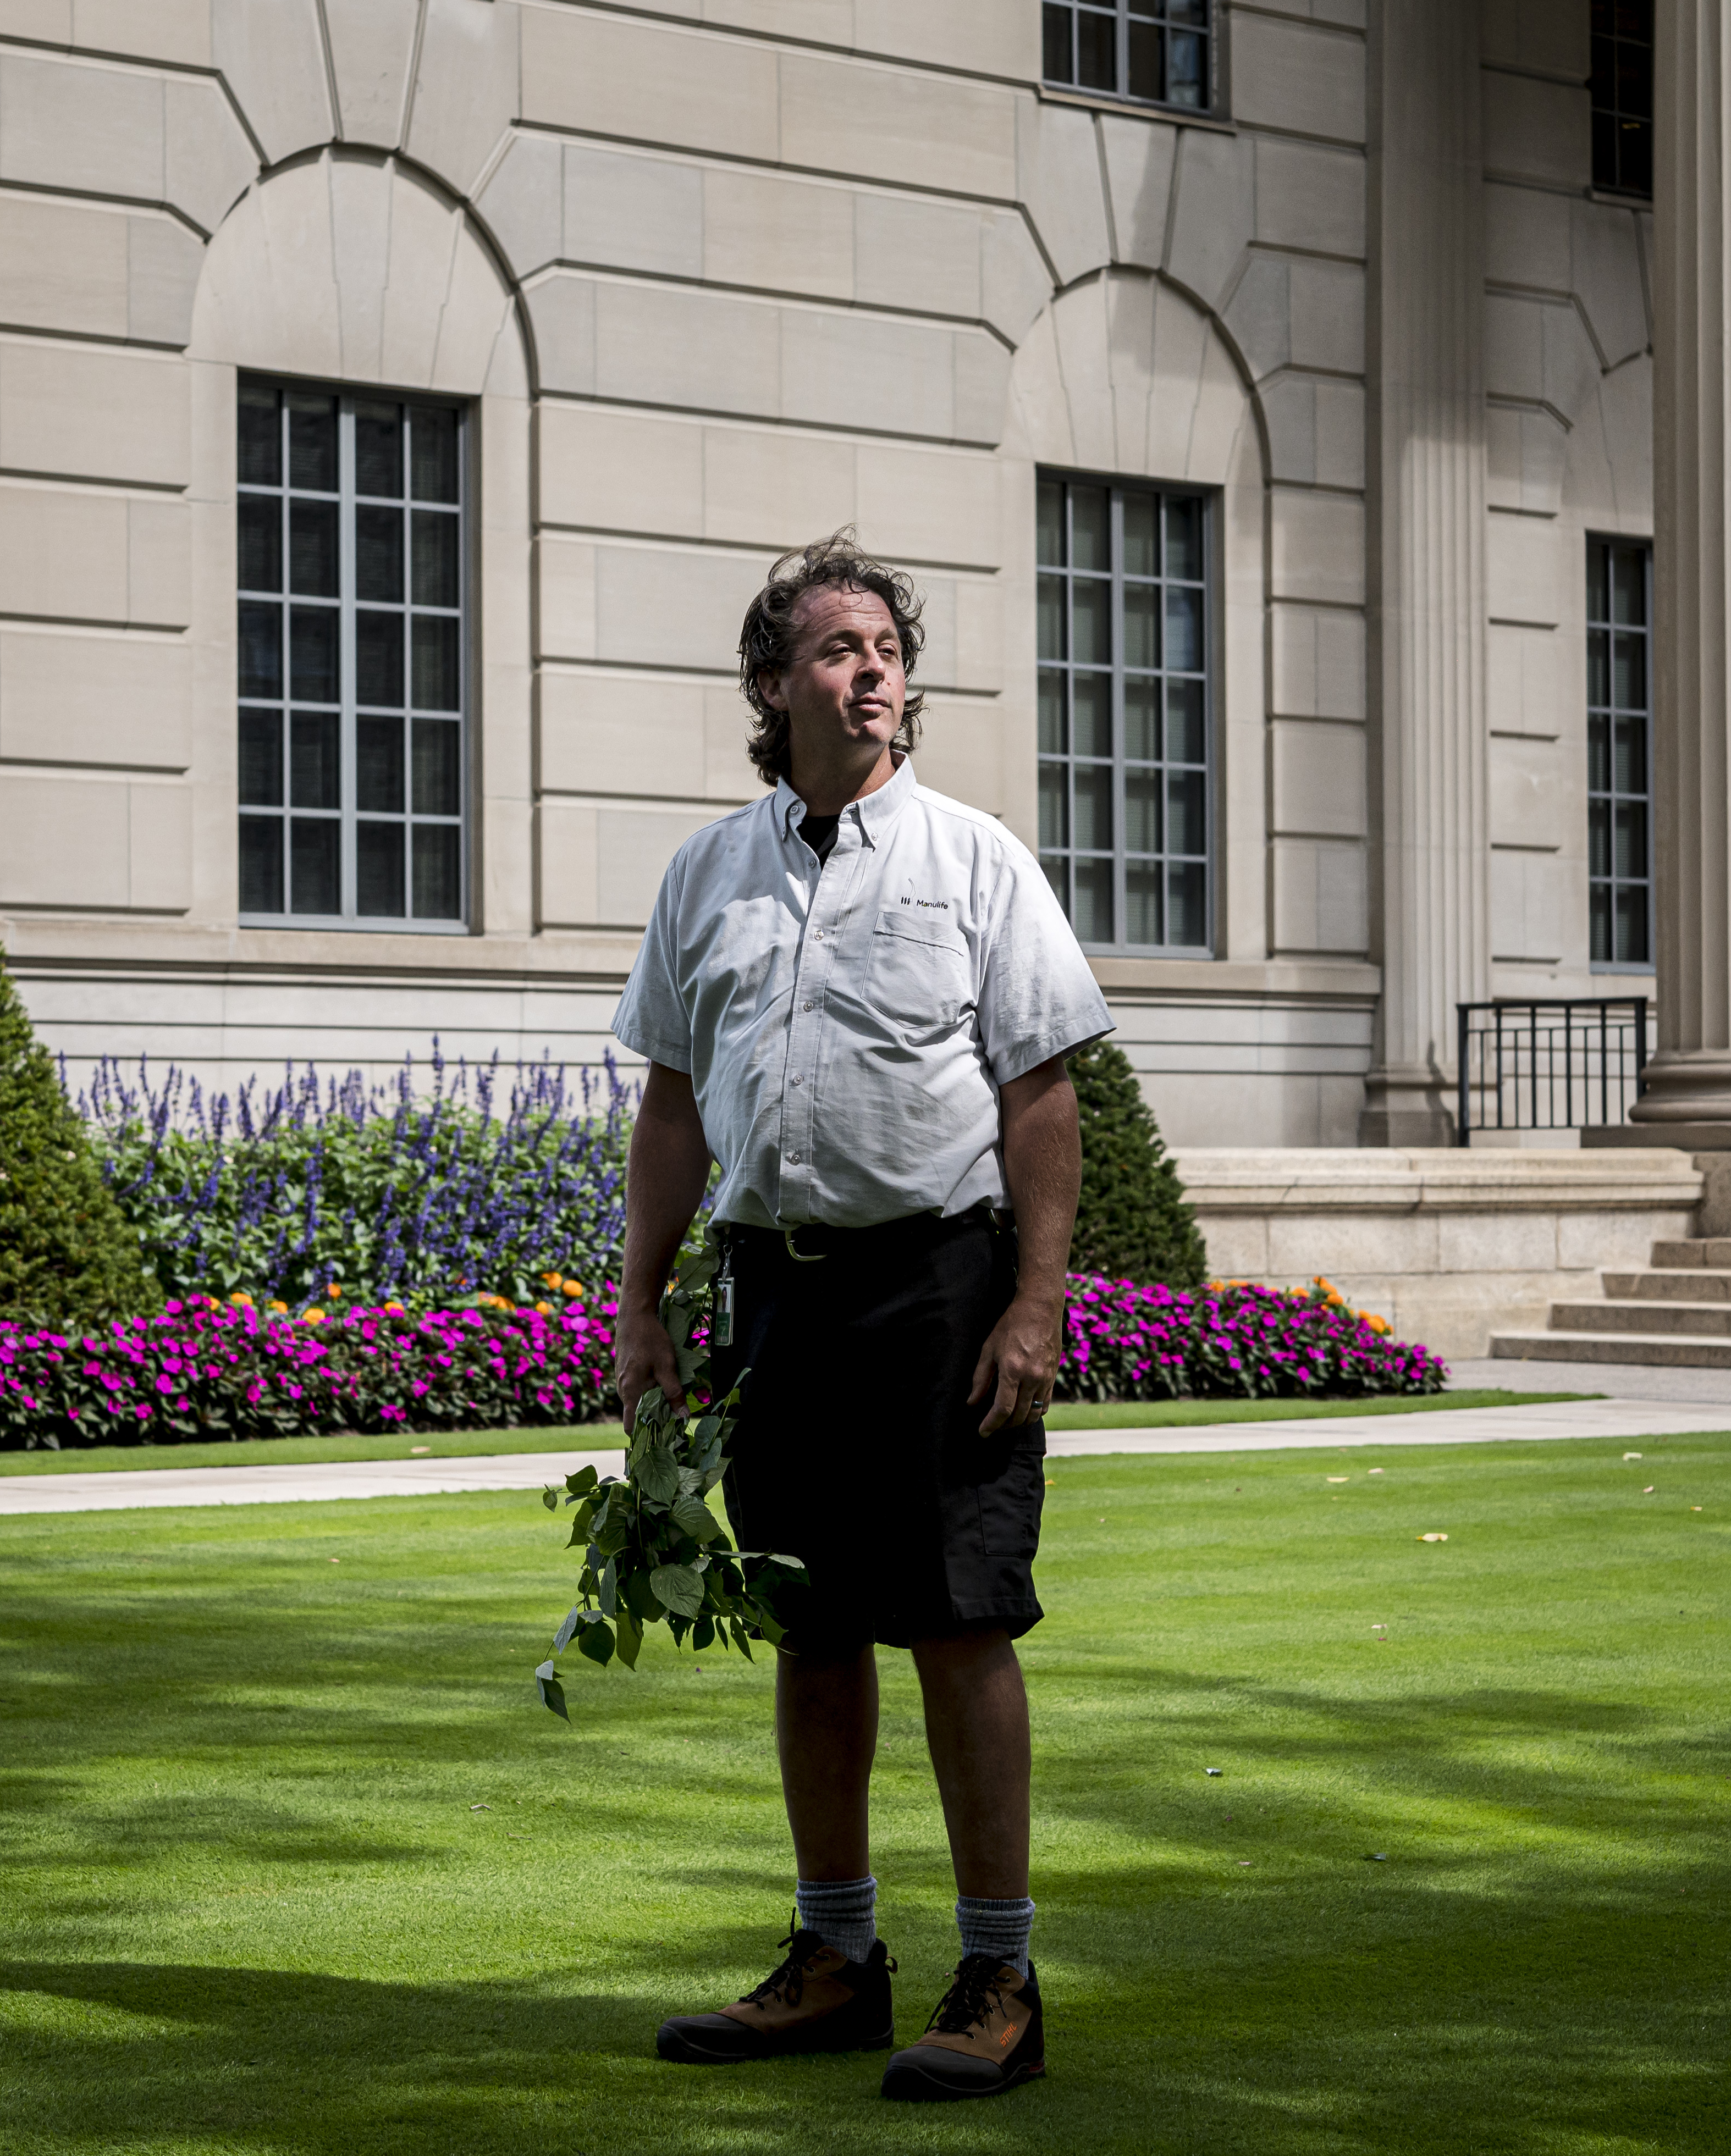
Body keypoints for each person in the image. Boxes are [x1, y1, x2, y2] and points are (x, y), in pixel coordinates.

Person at [608, 533, 1111, 2103]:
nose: (874, 667)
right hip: (781, 1296)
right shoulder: (708, 872)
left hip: (942, 1288)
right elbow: (676, 1106)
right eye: (838, 647)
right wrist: (641, 1308)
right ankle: (836, 1955)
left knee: (962, 1621)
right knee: (814, 1628)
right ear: (776, 686)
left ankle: (1001, 1972)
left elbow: (1042, 1096)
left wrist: (1036, 1300)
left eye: (887, 644)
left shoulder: (975, 857)